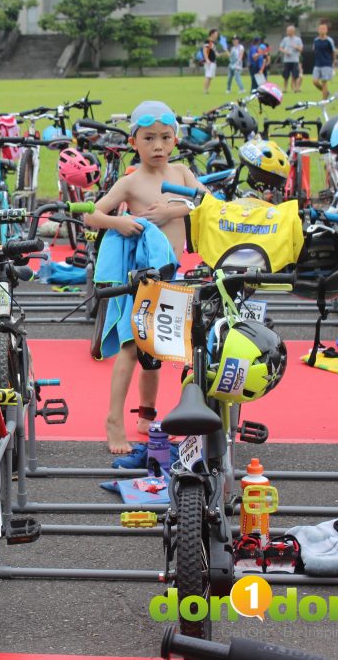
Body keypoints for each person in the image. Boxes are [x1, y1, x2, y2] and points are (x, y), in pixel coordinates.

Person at [86, 101, 206, 453]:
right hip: (140, 277)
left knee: (156, 349)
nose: (158, 146)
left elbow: (205, 202)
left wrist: (174, 209)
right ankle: (113, 421)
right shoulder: (130, 183)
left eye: (165, 138)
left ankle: (146, 414)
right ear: (133, 142)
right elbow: (92, 215)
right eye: (149, 138)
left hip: (172, 273)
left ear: (175, 141)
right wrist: (119, 222)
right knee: (129, 348)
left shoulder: (182, 173)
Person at [311, 21, 336, 101]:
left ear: (326, 30)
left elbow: (333, 52)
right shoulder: (316, 40)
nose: (322, 30)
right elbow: (314, 49)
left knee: (324, 82)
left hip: (327, 64)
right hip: (317, 64)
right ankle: (326, 92)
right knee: (315, 81)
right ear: (318, 30)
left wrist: (333, 62)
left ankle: (324, 100)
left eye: (324, 28)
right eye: (321, 28)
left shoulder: (329, 40)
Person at [278, 25, 304, 93]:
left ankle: (296, 88)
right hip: (287, 60)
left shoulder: (298, 39)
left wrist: (296, 47)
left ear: (293, 31)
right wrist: (285, 52)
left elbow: (301, 49)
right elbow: (280, 48)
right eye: (287, 31)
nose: (287, 32)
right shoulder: (285, 39)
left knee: (295, 75)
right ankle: (285, 88)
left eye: (288, 31)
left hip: (295, 60)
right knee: (285, 75)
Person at [202, 29, 220, 94]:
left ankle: (207, 90)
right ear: (212, 34)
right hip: (209, 62)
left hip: (213, 61)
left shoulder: (213, 43)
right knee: (208, 76)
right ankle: (204, 90)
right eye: (216, 34)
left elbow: (215, 53)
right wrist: (207, 59)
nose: (217, 35)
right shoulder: (207, 41)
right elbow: (204, 50)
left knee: (210, 77)